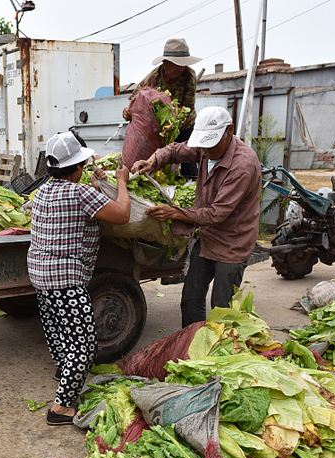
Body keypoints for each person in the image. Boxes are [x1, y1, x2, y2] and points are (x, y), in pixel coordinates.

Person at [27, 132, 131, 426]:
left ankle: (66, 377)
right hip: (64, 277)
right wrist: (121, 181)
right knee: (85, 344)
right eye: (82, 165)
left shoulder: (46, 189)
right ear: (75, 167)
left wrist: (96, 185)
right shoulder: (78, 193)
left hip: (40, 272)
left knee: (60, 334)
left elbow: (83, 204)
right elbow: (123, 214)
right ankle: (60, 409)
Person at [132, 106, 262, 328]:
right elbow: (174, 150)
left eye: (212, 143)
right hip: (208, 237)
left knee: (222, 308)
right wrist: (154, 160)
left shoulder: (242, 165)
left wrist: (174, 213)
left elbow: (217, 213)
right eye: (203, 144)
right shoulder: (206, 148)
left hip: (232, 243)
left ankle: (219, 356)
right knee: (191, 297)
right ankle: (191, 342)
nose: (206, 150)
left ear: (229, 131)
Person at [122, 38, 201, 178]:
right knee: (156, 160)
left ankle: (191, 181)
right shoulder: (154, 78)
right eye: (176, 65)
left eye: (182, 65)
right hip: (159, 130)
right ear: (165, 63)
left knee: (188, 158)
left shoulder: (189, 76)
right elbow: (136, 98)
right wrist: (129, 112)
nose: (180, 69)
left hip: (183, 125)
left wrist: (172, 122)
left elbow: (188, 107)